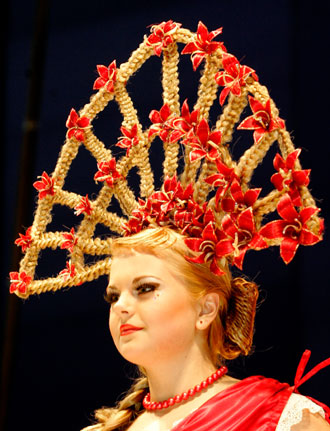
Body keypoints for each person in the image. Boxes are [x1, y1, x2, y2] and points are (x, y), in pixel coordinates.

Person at [10, 20, 329, 431]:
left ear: (206, 307)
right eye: (113, 296)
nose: (122, 306)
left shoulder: (281, 418)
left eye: (145, 288)